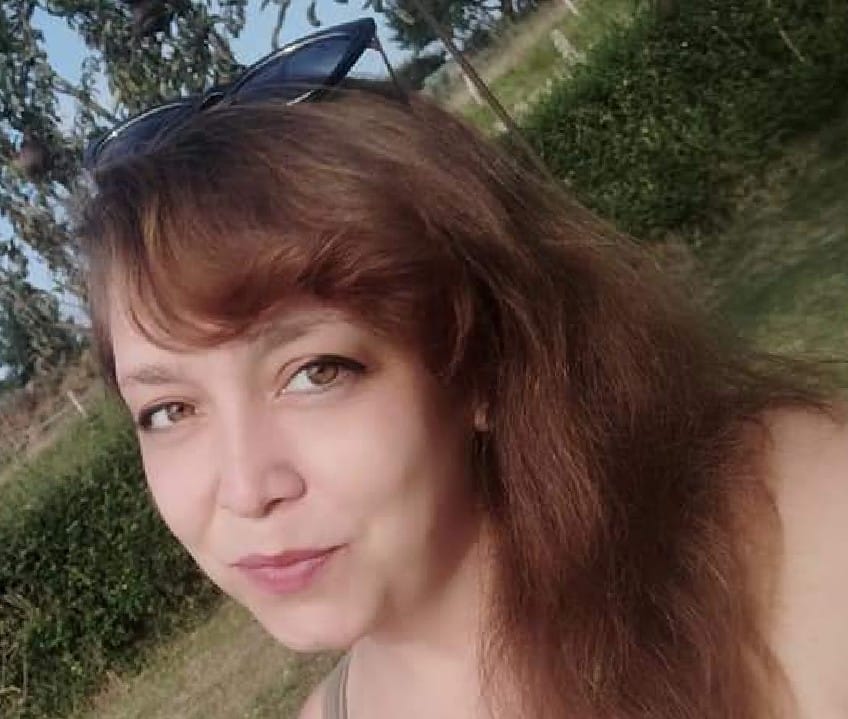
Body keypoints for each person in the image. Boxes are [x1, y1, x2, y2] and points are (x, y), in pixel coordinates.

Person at [76, 18, 848, 719]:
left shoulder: (800, 528)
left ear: (478, 358)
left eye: (316, 371)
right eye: (169, 410)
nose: (247, 489)